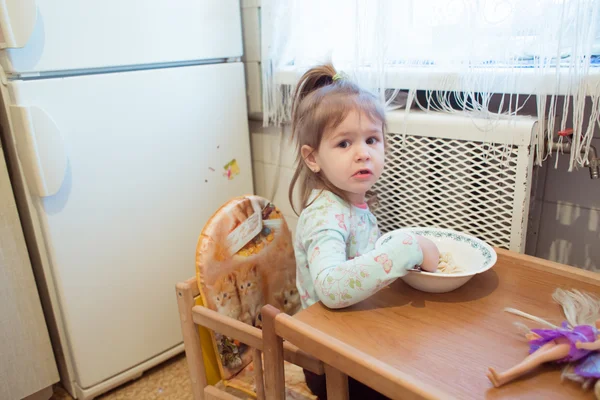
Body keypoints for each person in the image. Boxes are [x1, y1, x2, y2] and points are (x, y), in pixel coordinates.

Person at [288, 63, 440, 399]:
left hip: (355, 337)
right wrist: (403, 250)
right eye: (344, 144)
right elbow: (329, 286)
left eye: (372, 139)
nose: (363, 153)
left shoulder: (351, 201)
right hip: (328, 363)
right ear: (313, 158)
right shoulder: (325, 216)